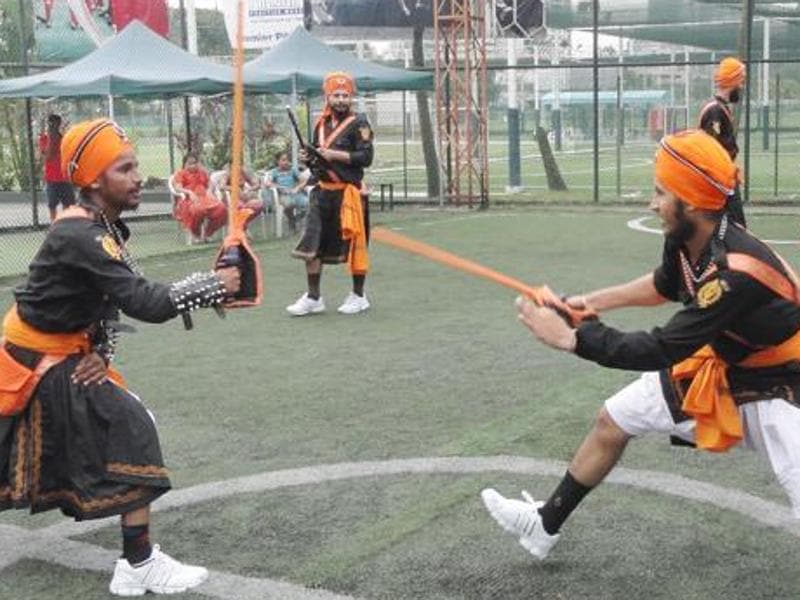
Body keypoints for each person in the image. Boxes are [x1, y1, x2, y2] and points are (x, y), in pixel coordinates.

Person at [480, 129, 800, 561]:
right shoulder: (688, 238)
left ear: (692, 202)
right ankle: (543, 525)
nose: (652, 203)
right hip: (734, 362)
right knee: (615, 418)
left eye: (660, 192)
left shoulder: (734, 272)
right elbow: (664, 285)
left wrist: (572, 339)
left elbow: (663, 347)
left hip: (785, 386)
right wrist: (587, 303)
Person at [0, 118, 241, 595]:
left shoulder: (102, 227)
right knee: (134, 425)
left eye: (135, 167)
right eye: (125, 169)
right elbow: (142, 302)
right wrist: (213, 285)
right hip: (34, 360)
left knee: (123, 424)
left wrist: (99, 350)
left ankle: (138, 561)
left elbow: (104, 300)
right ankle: (139, 563)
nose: (138, 177)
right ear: (92, 180)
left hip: (55, 354)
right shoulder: (82, 235)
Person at [287, 71, 374, 316]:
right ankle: (314, 297)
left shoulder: (361, 123)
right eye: (336, 95)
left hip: (349, 195)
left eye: (345, 95)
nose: (340, 100)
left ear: (351, 98)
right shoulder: (320, 125)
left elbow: (365, 158)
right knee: (311, 245)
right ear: (328, 97)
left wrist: (333, 155)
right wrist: (309, 157)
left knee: (356, 245)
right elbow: (317, 161)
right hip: (322, 194)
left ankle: (359, 295)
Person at [698, 56, 746, 227]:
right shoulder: (715, 111)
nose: (741, 87)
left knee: (732, 230)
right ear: (732, 81)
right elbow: (710, 151)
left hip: (724, 179)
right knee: (736, 229)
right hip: (720, 182)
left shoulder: (721, 108)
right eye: (740, 81)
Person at [172, 153, 227, 243]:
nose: (193, 165)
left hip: (205, 198)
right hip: (189, 200)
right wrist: (189, 192)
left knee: (222, 209)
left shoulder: (202, 172)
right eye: (190, 163)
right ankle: (196, 233)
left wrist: (209, 190)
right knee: (198, 210)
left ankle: (208, 233)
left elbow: (210, 183)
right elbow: (178, 188)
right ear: (185, 164)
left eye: (195, 163)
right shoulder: (180, 173)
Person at [38, 113, 76, 222]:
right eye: (51, 124)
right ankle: (54, 226)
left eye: (56, 124)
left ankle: (66, 225)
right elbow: (48, 156)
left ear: (59, 124)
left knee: (68, 204)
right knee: (52, 205)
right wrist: (51, 137)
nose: (53, 126)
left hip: (65, 178)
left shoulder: (64, 139)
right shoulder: (44, 139)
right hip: (51, 179)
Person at [212, 162, 266, 232]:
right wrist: (234, 188)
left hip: (245, 199)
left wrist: (249, 189)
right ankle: (241, 227)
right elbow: (222, 186)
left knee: (258, 205)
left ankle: (242, 224)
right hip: (232, 200)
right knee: (239, 207)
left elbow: (257, 184)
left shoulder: (244, 172)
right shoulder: (228, 174)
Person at [264, 151, 309, 232]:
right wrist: (279, 187)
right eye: (283, 160)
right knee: (289, 204)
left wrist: (297, 188)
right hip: (282, 196)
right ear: (278, 161)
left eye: (287, 160)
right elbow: (267, 183)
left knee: (309, 203)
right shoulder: (274, 172)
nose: (286, 162)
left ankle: (294, 219)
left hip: (295, 194)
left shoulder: (293, 170)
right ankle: (291, 220)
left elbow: (304, 181)